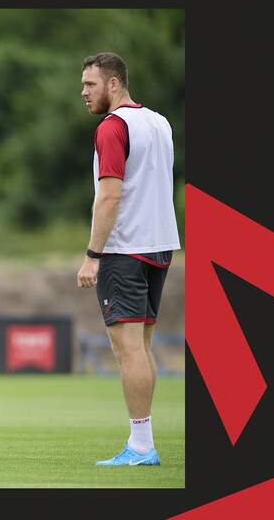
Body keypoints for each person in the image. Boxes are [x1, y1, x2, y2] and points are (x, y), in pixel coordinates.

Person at [76, 53, 181, 466]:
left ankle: (140, 446)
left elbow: (112, 194)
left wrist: (92, 255)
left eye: (90, 84)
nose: (84, 92)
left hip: (125, 249)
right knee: (143, 347)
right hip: (160, 245)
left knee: (128, 350)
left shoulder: (112, 127)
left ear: (113, 83)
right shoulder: (159, 121)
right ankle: (144, 442)